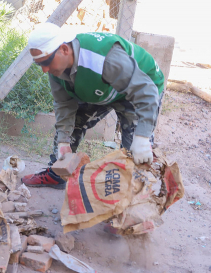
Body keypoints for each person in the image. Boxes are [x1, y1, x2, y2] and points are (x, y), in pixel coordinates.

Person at [22, 22, 164, 190]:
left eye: (46, 62)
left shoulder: (104, 59)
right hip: (103, 88)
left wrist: (143, 137)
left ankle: (135, 197)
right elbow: (63, 104)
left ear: (64, 49)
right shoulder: (57, 70)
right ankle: (57, 174)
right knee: (72, 124)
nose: (44, 70)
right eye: (40, 64)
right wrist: (63, 142)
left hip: (138, 89)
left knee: (135, 153)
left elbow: (146, 92)